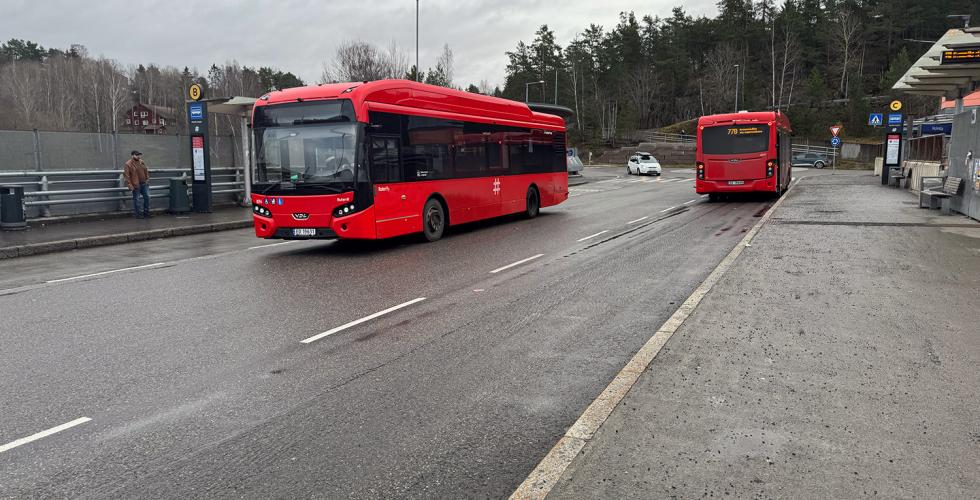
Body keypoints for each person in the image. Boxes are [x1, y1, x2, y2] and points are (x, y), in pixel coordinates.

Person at [124, 150, 151, 218]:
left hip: (144, 183)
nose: (138, 156)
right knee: (137, 199)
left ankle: (146, 213)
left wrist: (147, 179)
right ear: (132, 155)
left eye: (139, 155)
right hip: (136, 185)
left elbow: (146, 170)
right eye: (137, 155)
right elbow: (127, 176)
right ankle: (138, 214)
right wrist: (130, 185)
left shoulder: (141, 161)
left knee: (147, 197)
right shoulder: (128, 164)